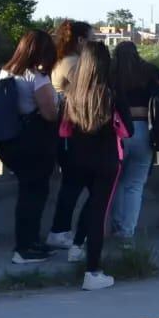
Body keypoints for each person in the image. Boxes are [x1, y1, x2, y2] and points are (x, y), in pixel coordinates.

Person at [58, 42, 133, 290]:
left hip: (77, 160)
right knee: (99, 213)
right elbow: (129, 130)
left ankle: (77, 246)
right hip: (106, 161)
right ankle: (92, 271)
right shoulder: (111, 93)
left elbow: (64, 129)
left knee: (91, 205)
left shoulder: (71, 94)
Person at [0, 31, 59, 264]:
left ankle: (30, 243)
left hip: (11, 141)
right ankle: (24, 248)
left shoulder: (7, 72)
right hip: (34, 145)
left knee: (28, 193)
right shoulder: (37, 77)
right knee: (33, 195)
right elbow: (50, 113)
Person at [108, 41, 159, 244]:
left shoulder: (110, 73)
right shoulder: (150, 71)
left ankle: (116, 225)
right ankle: (127, 233)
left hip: (117, 132)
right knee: (134, 185)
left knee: (114, 182)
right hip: (144, 130)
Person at [45, 20, 94, 250]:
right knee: (74, 181)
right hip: (71, 129)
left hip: (64, 128)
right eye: (91, 39)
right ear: (81, 40)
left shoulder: (61, 60)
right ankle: (60, 230)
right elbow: (87, 91)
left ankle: (61, 229)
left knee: (73, 181)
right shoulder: (73, 63)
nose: (93, 44)